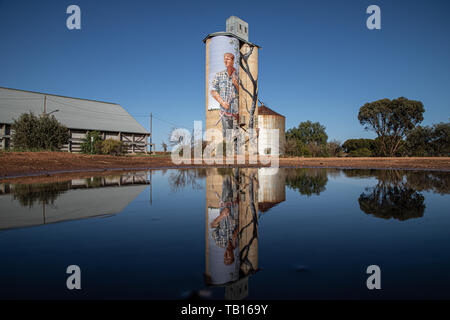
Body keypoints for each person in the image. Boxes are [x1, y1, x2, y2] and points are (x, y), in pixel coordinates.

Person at [210, 53, 239, 145]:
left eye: (228, 59)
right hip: (224, 112)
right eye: (224, 59)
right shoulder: (219, 75)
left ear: (233, 61)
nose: (225, 61)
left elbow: (244, 94)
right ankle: (228, 154)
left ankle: (236, 156)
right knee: (227, 136)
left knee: (237, 137)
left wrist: (236, 85)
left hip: (236, 112)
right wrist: (222, 102)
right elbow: (213, 91)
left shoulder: (239, 75)